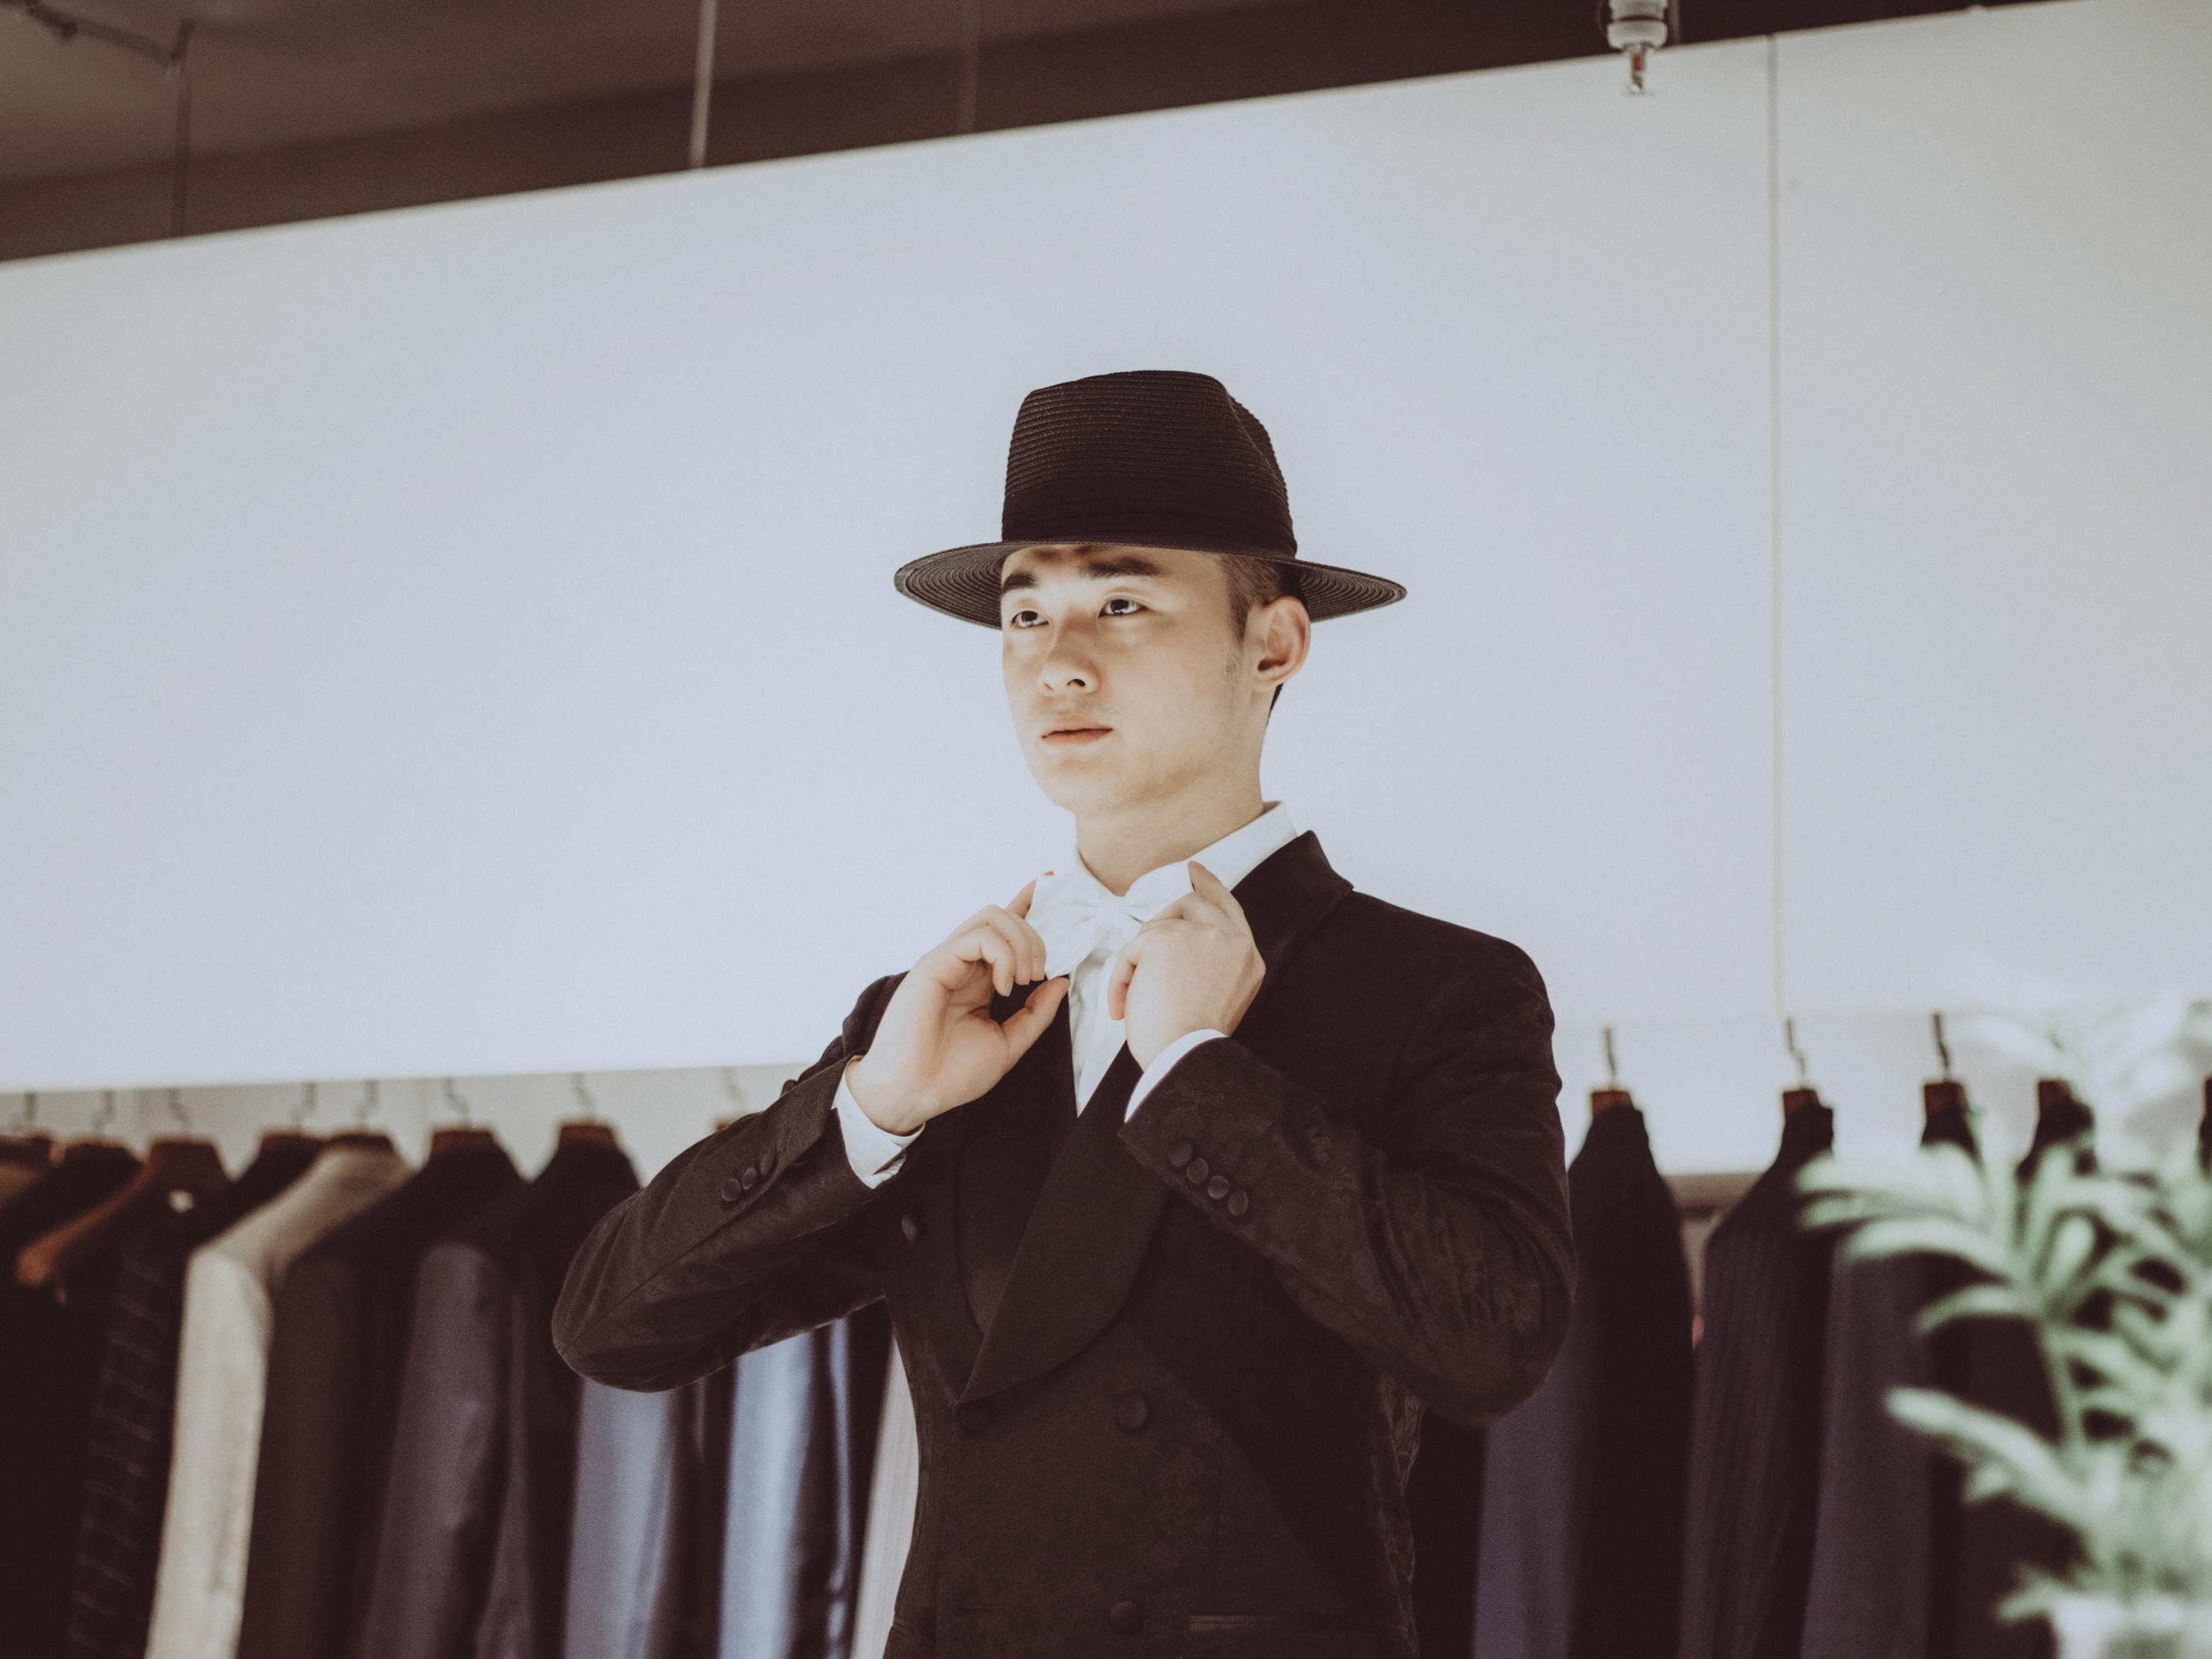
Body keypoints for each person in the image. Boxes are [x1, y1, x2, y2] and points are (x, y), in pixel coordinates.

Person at [553, 368, 1574, 1658]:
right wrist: (874, 1106)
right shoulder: (943, 1018)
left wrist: (1199, 1073)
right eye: (1025, 614)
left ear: (1271, 645)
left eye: (1122, 603)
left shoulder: (1437, 988)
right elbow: (612, 1329)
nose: (1058, 663)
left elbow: (1492, 1347)